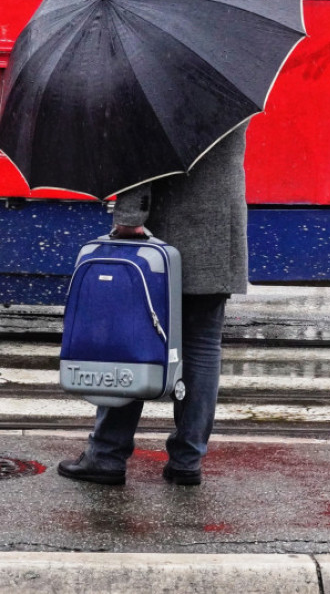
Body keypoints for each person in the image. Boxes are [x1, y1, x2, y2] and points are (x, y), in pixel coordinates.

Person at [58, 124, 250, 486]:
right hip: (219, 229)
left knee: (131, 337)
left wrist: (129, 217)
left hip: (166, 229)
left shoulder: (157, 83)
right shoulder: (224, 78)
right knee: (202, 346)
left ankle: (107, 455)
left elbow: (142, 147)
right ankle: (187, 460)